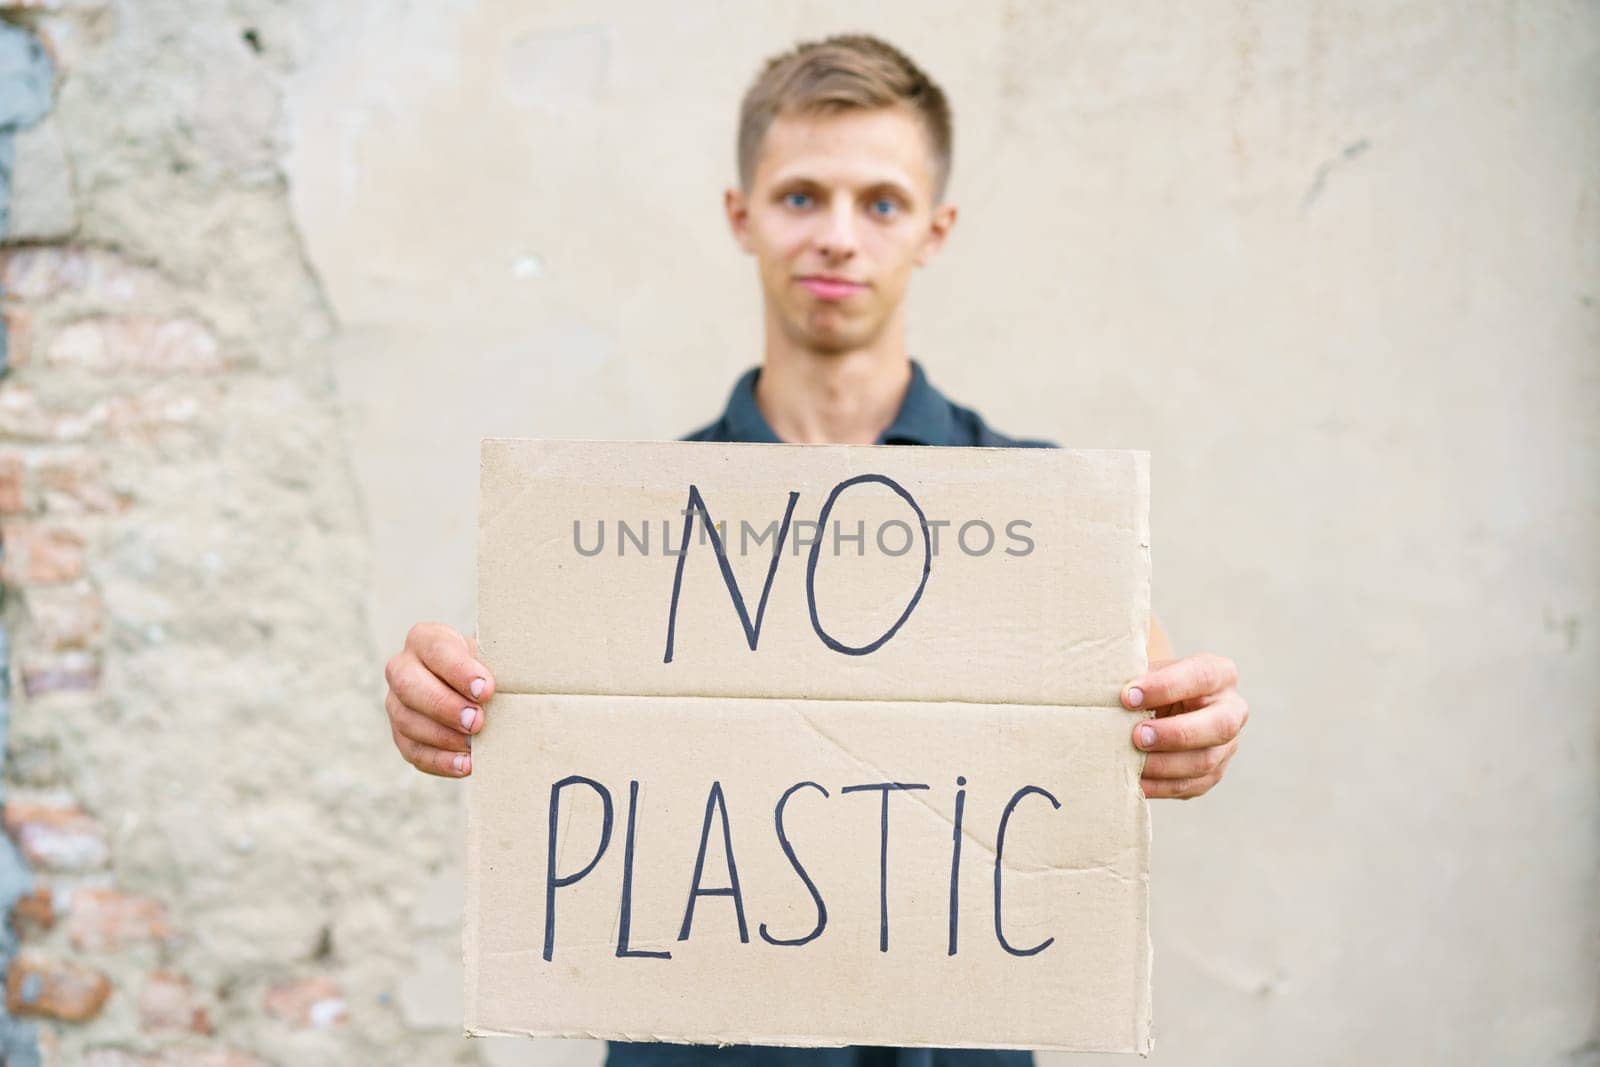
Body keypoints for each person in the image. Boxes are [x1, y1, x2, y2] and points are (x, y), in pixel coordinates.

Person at [382, 32, 1248, 1067]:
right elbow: (513, 700)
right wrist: (440, 697)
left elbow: (1152, 693)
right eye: (801, 196)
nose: (838, 235)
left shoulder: (1044, 514)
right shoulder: (631, 525)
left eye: (880, 202)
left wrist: (1193, 726)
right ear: (740, 216)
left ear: (935, 228)